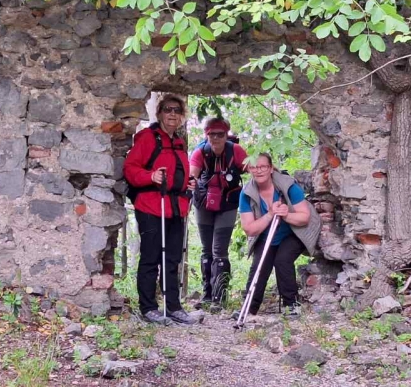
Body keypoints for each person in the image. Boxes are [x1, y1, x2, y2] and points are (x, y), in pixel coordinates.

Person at [123, 94, 198, 326]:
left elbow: (178, 174)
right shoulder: (147, 138)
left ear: (182, 115)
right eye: (167, 110)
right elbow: (130, 168)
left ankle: (173, 306)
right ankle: (148, 308)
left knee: (173, 258)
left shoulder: (179, 143)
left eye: (177, 110)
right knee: (151, 257)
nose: (172, 114)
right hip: (151, 206)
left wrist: (188, 183)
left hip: (175, 208)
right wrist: (150, 176)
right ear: (159, 113)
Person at [239, 153, 321, 317]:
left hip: (293, 232)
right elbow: (249, 229)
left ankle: (291, 305)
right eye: (254, 167)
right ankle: (249, 309)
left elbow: (304, 217)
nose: (259, 171)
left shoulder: (288, 186)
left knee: (282, 260)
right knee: (259, 266)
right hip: (266, 235)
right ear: (249, 170)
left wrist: (285, 215)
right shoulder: (247, 193)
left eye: (263, 166)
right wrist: (270, 214)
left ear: (270, 168)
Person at [189, 117, 248, 309]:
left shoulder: (236, 151)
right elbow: (191, 176)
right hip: (203, 203)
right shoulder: (200, 153)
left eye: (220, 134)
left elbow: (253, 169)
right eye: (211, 134)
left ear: (226, 135)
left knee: (219, 250)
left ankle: (220, 297)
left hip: (228, 204)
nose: (215, 138)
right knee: (206, 249)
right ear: (206, 135)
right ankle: (207, 294)